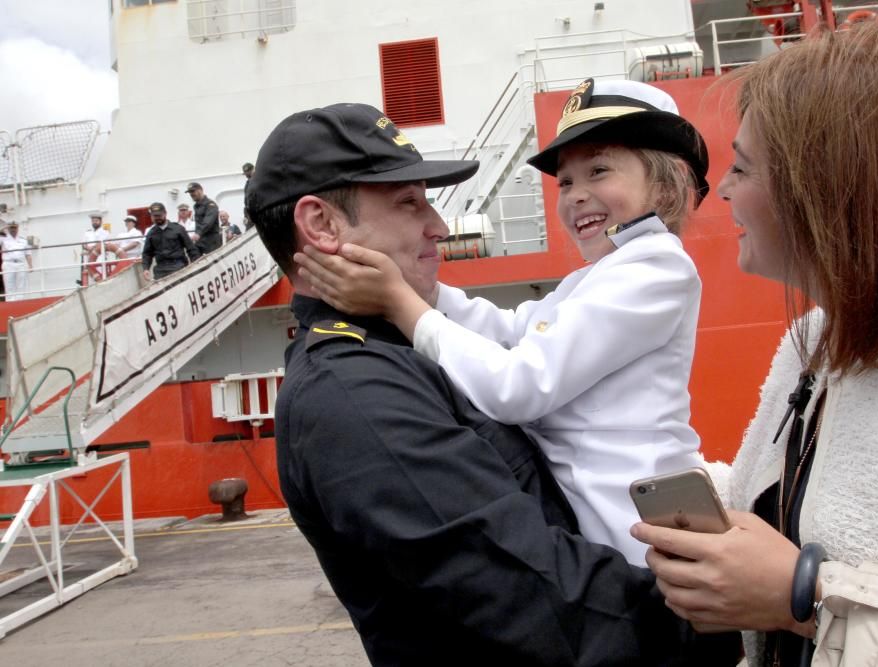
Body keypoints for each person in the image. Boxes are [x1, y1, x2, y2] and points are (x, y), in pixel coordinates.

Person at [246, 102, 740, 665]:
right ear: (322, 225)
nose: (438, 224)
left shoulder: (647, 267)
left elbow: (511, 354)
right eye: (409, 202)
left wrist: (412, 299)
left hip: (632, 537)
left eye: (598, 171)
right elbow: (533, 594)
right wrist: (709, 637)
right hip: (640, 585)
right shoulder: (355, 392)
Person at [629, 23, 878, 666]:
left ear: (826, 188)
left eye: (742, 167)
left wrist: (808, 600)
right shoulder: (816, 341)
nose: (722, 190)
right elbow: (774, 500)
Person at [294, 79, 711, 566]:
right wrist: (419, 287)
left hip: (638, 541)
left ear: (667, 182)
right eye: (567, 182)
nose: (576, 195)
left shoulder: (657, 266)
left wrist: (400, 302)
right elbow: (513, 329)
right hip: (605, 526)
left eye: (598, 170)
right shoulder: (601, 274)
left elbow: (519, 387)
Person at [142, 201, 201, 280]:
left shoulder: (178, 229)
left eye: (159, 215)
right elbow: (147, 254)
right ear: (151, 217)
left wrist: (196, 264)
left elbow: (191, 248)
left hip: (179, 267)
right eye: (155, 216)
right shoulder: (151, 234)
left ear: (165, 214)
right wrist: (146, 268)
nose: (157, 218)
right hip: (161, 270)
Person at [185, 181, 222, 253]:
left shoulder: (210, 205)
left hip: (211, 242)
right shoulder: (196, 206)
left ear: (200, 190)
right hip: (200, 241)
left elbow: (208, 222)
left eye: (193, 191)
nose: (191, 194)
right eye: (190, 192)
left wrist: (198, 233)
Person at [1, 222, 33, 300]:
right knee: (9, 285)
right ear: (8, 229)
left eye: (15, 228)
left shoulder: (23, 240)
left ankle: (20, 301)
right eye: (11, 228)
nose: (13, 230)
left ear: (17, 228)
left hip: (20, 264)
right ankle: (10, 303)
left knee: (21, 285)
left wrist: (30, 265)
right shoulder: (3, 239)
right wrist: (3, 229)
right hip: (8, 264)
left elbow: (28, 254)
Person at [83, 213, 115, 283]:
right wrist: (88, 248)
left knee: (100, 274)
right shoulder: (87, 233)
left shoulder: (105, 232)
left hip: (100, 257)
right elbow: (84, 244)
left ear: (100, 221)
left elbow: (102, 244)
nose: (94, 222)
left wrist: (92, 249)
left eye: (96, 220)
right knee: (90, 277)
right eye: (93, 221)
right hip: (88, 257)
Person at [241, 161, 254, 229]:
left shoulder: (259, 181)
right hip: (250, 214)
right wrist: (246, 215)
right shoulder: (247, 184)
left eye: (248, 172)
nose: (247, 175)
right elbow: (246, 202)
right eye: (246, 173)